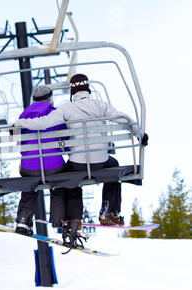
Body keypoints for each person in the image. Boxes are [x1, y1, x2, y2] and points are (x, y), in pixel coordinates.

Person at [14, 74, 149, 229]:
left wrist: (19, 122)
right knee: (114, 167)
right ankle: (109, 212)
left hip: (77, 164)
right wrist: (139, 133)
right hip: (101, 162)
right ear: (88, 89)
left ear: (72, 92)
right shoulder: (100, 105)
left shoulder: (65, 108)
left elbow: (44, 123)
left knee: (70, 179)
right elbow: (122, 118)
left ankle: (73, 221)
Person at [14, 85, 83, 238]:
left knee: (29, 184)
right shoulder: (55, 114)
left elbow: (19, 145)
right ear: (50, 98)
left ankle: (23, 220)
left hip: (29, 167)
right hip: (54, 167)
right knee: (60, 183)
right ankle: (58, 220)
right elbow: (66, 140)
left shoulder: (22, 116)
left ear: (33, 99)